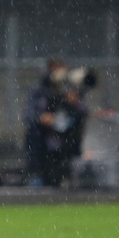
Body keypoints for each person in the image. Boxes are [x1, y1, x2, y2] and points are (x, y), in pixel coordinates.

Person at [24, 59, 97, 187]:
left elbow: (81, 114)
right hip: (43, 144)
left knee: (63, 179)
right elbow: (31, 114)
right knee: (43, 179)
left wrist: (72, 103)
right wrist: (43, 117)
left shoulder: (72, 93)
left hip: (65, 146)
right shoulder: (40, 91)